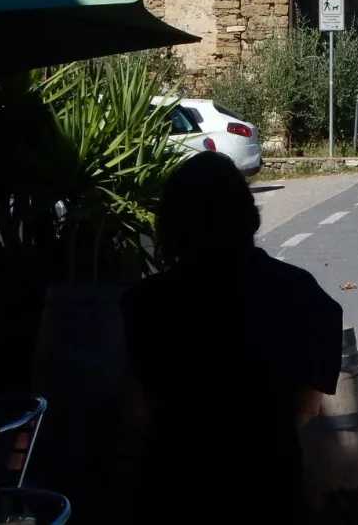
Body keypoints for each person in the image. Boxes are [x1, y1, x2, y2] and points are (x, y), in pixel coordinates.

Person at [120, 152, 343, 523]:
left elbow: (135, 415)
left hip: (175, 493)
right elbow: (307, 408)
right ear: (248, 216)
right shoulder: (302, 294)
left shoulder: (145, 304)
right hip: (269, 491)